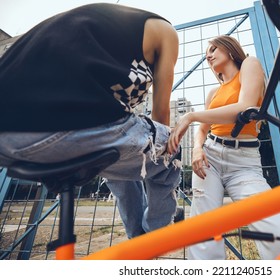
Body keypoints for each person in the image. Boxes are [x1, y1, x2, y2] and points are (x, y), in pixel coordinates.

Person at [0, 3, 181, 238]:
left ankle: (138, 240)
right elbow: (161, 118)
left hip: (8, 137)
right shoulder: (165, 30)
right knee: (172, 146)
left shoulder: (85, 27)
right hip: (67, 126)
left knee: (118, 156)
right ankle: (150, 239)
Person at [168, 35, 280, 259]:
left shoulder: (250, 64)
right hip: (210, 157)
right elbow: (203, 130)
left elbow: (245, 107)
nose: (208, 55)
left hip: (244, 162)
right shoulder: (214, 93)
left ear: (230, 49)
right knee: (203, 231)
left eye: (213, 48)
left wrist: (190, 116)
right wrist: (197, 148)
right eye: (206, 53)